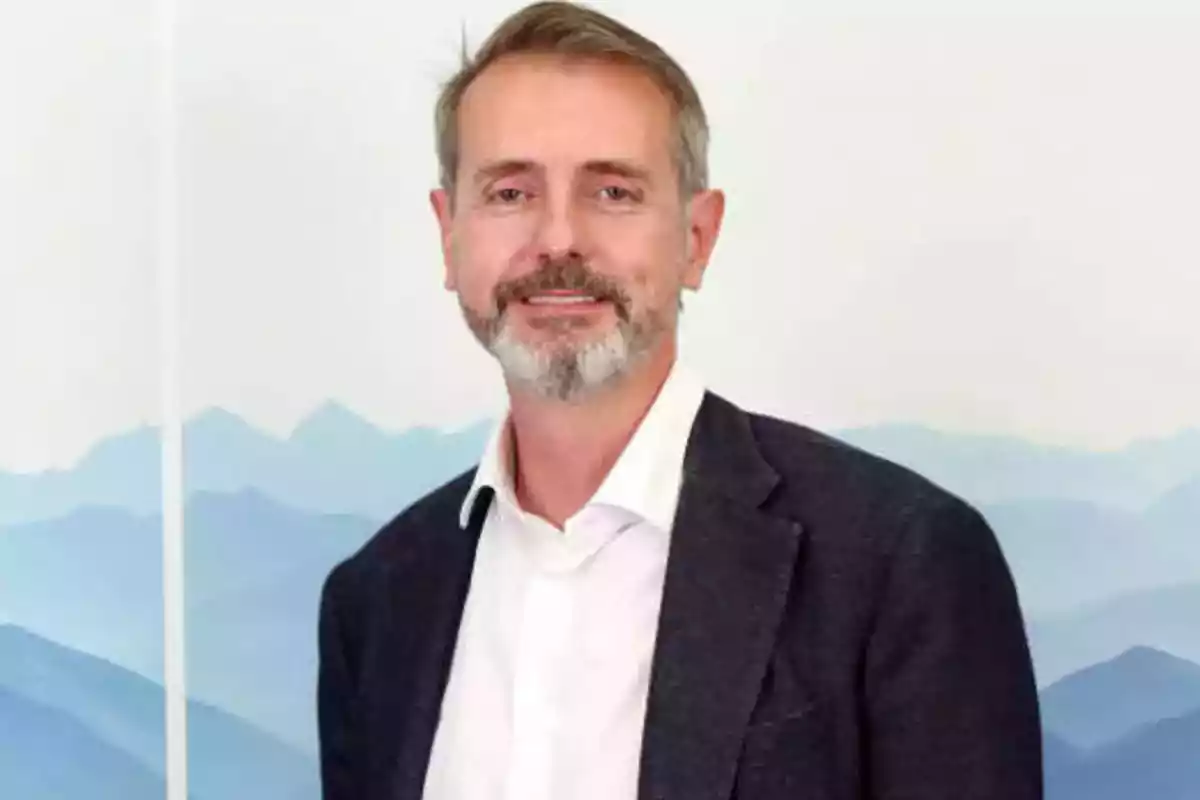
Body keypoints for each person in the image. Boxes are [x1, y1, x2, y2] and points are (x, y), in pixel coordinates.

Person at [316, 2, 1044, 799]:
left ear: (697, 239)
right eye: (511, 192)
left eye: (614, 192)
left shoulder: (899, 565)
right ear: (448, 233)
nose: (558, 239)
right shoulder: (377, 604)